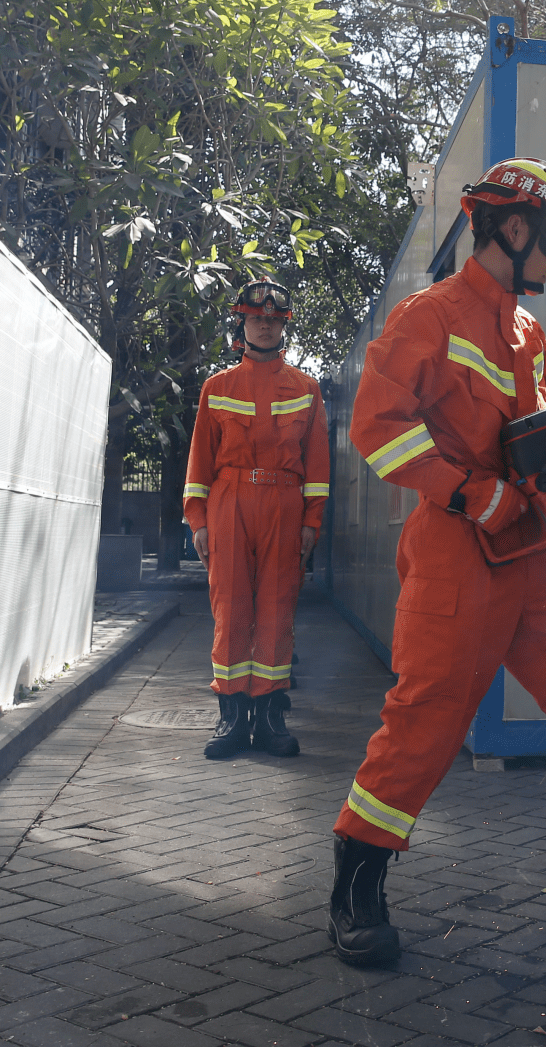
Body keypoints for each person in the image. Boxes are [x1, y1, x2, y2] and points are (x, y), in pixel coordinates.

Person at [327, 157, 546, 968]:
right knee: (426, 717)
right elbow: (378, 425)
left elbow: (544, 409)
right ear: (515, 228)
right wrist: (463, 492)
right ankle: (356, 885)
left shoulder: (525, 328)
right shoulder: (432, 317)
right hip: (461, 548)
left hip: (539, 547)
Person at [184, 279, 330, 760]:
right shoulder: (217, 388)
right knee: (231, 608)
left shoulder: (307, 390)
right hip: (229, 501)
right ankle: (232, 718)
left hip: (285, 505)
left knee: (275, 609)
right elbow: (199, 465)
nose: (264, 325)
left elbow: (318, 466)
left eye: (272, 319)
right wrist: (198, 520)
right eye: (255, 318)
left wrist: (312, 523)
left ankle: (269, 717)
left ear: (282, 325)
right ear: (242, 323)